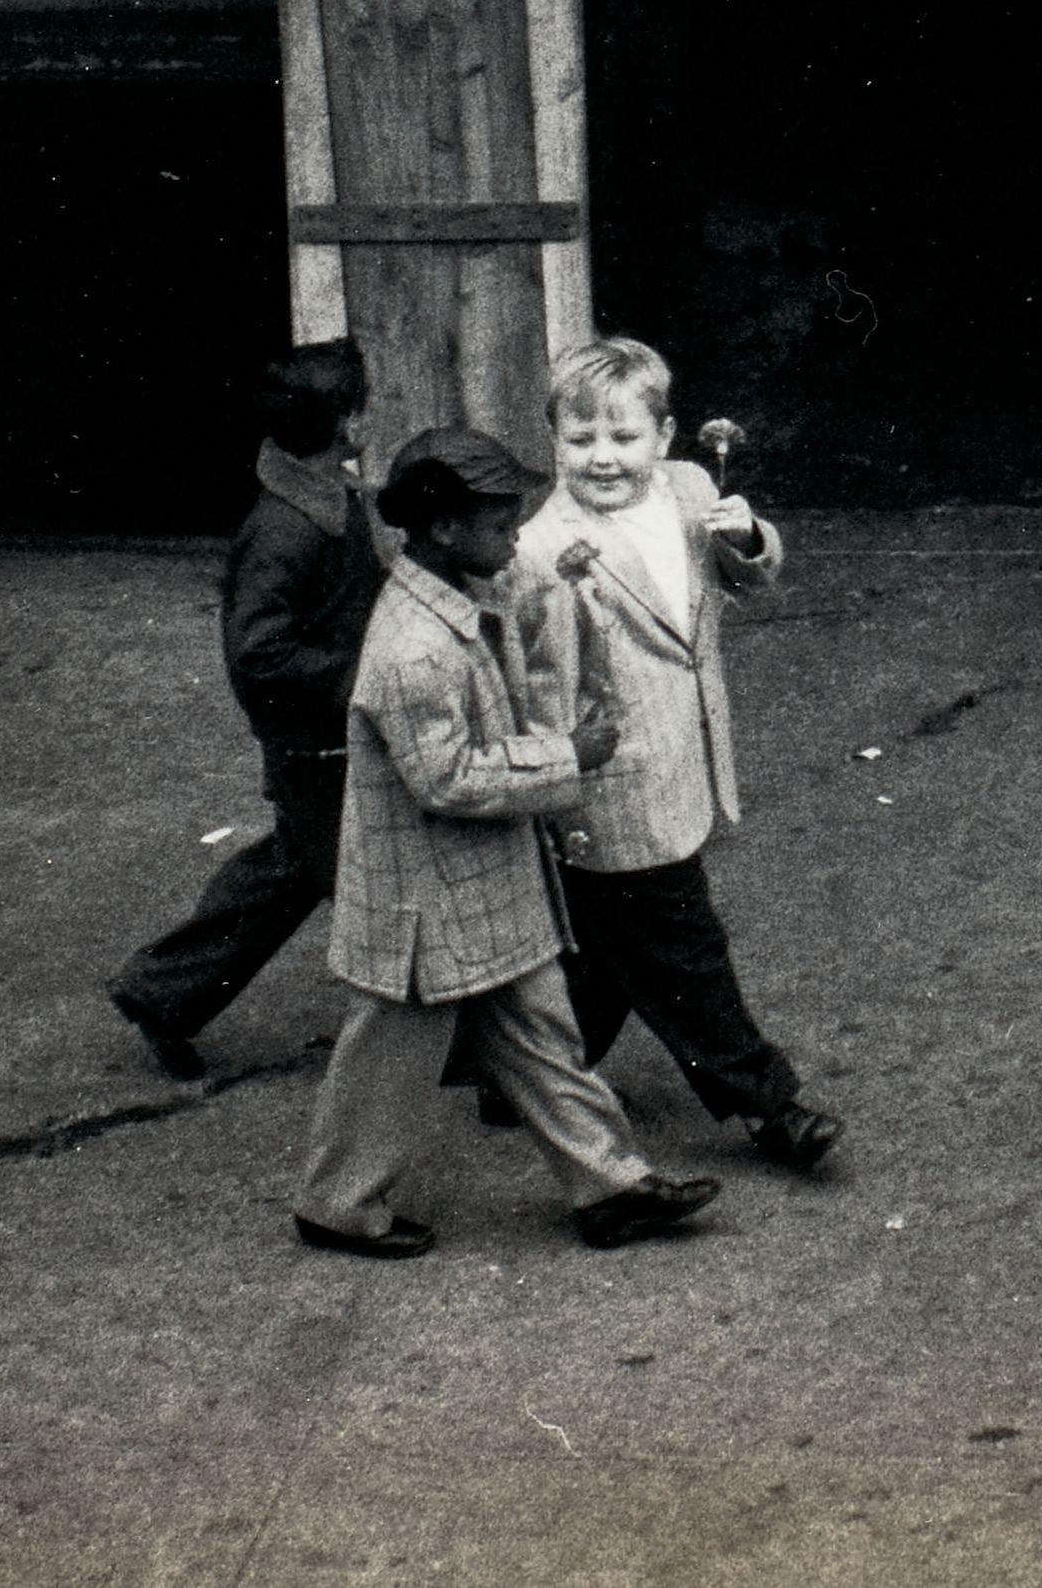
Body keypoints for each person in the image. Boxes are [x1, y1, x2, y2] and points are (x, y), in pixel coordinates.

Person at [294, 427, 719, 1257]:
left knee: (542, 1033)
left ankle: (612, 1186)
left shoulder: (459, 585)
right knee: (388, 1056)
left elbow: (526, 592)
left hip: (478, 883)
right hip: (425, 901)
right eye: (500, 524)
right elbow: (447, 778)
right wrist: (570, 754)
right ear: (444, 531)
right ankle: (336, 1204)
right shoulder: (412, 649)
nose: (516, 538)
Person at [514, 338, 842, 1173]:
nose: (603, 457)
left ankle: (512, 1072)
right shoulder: (543, 548)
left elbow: (740, 582)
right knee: (683, 946)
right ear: (553, 438)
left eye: (624, 438)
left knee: (608, 948)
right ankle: (769, 1104)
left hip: (689, 756)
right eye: (581, 438)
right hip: (612, 784)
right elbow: (549, 686)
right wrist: (558, 794)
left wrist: (749, 537)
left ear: (664, 438)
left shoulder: (695, 489)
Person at [111, 340, 385, 1079]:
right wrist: (359, 673)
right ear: (341, 422)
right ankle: (439, 1040)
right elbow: (257, 652)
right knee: (370, 885)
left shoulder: (327, 493)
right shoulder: (287, 527)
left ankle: (161, 992)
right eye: (360, 402)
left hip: (329, 733)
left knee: (289, 872)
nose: (369, 412)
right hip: (316, 741)